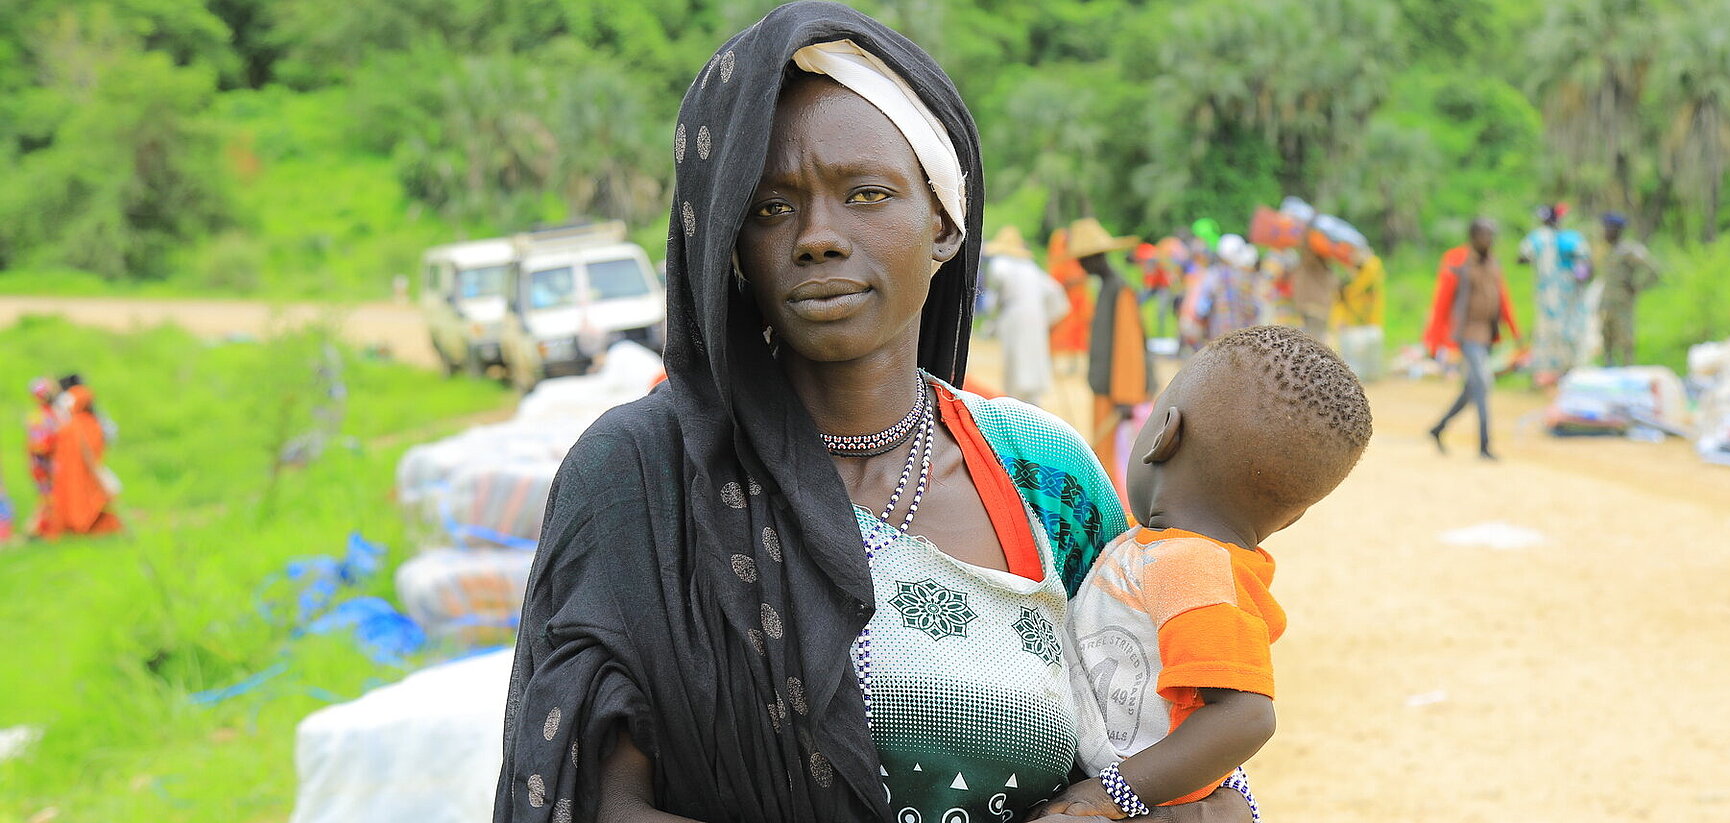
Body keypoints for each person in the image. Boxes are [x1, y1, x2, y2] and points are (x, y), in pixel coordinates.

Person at [492, 7, 1254, 823]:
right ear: (728, 247)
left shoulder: (1045, 474)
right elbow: (591, 801)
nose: (818, 236)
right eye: (771, 208)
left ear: (943, 224)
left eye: (867, 193)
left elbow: (1190, 765)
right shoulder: (644, 480)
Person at [1040, 325, 1370, 818]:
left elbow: (1246, 716)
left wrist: (1105, 796)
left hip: (1134, 794)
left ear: (1163, 435)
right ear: (1292, 516)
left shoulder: (1193, 569)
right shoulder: (1160, 549)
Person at [1074, 217, 1154, 504]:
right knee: (1103, 458)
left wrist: (1126, 397)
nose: (1080, 266)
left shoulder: (1120, 290)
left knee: (1116, 463)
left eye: (1083, 260)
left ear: (1095, 259)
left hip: (1118, 395)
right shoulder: (1106, 288)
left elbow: (1129, 347)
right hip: (1105, 390)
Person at [1430, 218, 1521, 460]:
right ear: (1473, 237)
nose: (1488, 240)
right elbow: (1443, 302)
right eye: (1483, 235)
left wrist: (1515, 331)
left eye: (1491, 235)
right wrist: (1437, 340)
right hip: (1468, 334)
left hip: (1487, 336)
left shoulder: (1494, 265)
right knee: (1483, 383)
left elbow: (1503, 300)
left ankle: (1438, 428)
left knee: (1472, 388)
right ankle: (1484, 445)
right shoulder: (1459, 264)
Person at [982, 226, 1068, 404]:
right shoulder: (1031, 267)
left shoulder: (1000, 264)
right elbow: (1057, 293)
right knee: (1032, 361)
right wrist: (1047, 319)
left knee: (1016, 364)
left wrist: (992, 319)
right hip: (1035, 317)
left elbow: (995, 300)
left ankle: (1015, 408)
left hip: (1014, 317)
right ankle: (1032, 405)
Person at [1519, 203, 1591, 388]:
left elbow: (1521, 257)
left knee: (1548, 334)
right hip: (1567, 296)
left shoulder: (1539, 238)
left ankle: (1549, 376)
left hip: (1551, 296)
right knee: (1568, 331)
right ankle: (1565, 374)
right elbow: (1585, 267)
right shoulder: (1572, 239)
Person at [38, 385, 122, 539]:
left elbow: (85, 452)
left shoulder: (76, 425)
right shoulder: (91, 424)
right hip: (81, 472)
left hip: (76, 473)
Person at [1595, 212, 1660, 366]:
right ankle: (1609, 367)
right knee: (1606, 337)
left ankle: (1628, 368)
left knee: (1625, 340)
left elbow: (1653, 270)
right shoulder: (1608, 251)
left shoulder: (1628, 250)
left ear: (1616, 230)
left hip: (1622, 302)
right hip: (1607, 302)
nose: (1604, 233)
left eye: (1607, 229)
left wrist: (1636, 286)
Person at [1332, 255, 1386, 381]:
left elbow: (1374, 267)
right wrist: (1338, 321)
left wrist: (1361, 257)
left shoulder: (1370, 282)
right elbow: (1338, 306)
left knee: (1371, 359)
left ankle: (1372, 376)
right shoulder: (1345, 287)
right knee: (1353, 363)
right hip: (1351, 329)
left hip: (1370, 327)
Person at [1048, 226, 1094, 370]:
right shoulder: (1058, 257)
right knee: (1056, 332)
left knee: (1078, 333)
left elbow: (1083, 276)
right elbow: (1056, 279)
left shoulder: (1076, 257)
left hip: (1077, 303)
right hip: (1062, 303)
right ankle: (1052, 363)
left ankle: (1073, 363)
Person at [25, 378, 58, 534]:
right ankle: (38, 529)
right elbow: (37, 446)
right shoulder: (42, 417)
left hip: (44, 464)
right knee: (47, 498)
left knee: (49, 497)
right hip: (46, 464)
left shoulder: (43, 415)